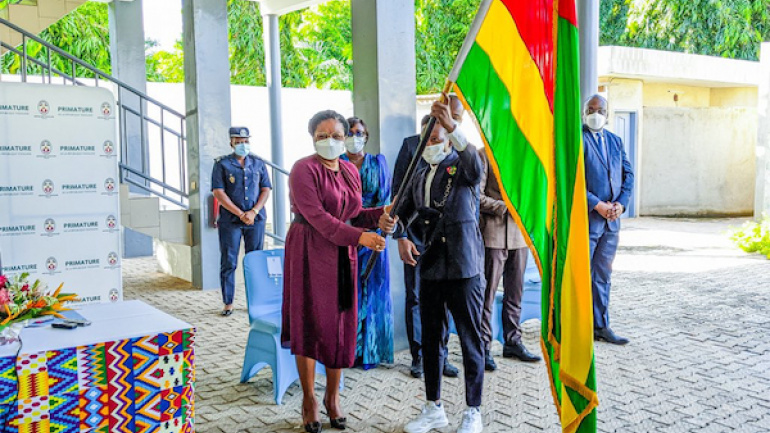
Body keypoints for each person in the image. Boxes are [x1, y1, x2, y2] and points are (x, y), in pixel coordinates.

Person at [380, 94, 485, 433]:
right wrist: (391, 224)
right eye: (428, 138)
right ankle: (433, 406)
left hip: (464, 267)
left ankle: (473, 410)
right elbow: (406, 212)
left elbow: (476, 169)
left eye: (438, 136)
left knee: (470, 339)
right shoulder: (419, 170)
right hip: (431, 266)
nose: (432, 142)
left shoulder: (464, 163)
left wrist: (452, 126)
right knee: (431, 339)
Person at [281, 110, 388, 433]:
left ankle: (333, 397)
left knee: (341, 323)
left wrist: (382, 214)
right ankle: (310, 400)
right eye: (323, 136)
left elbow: (353, 213)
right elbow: (318, 218)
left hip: (343, 253)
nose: (331, 141)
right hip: (309, 250)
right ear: (312, 137)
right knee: (310, 322)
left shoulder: (348, 171)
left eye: (337, 136)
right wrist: (360, 237)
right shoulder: (303, 169)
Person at [392, 100, 465, 380]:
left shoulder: (456, 148)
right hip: (414, 236)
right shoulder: (410, 145)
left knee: (443, 299)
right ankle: (419, 356)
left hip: (443, 239)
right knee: (415, 297)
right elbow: (398, 195)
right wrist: (400, 235)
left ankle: (441, 355)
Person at [477, 149, 541, 370]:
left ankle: (513, 341)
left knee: (515, 293)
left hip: (519, 236)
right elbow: (477, 194)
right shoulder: (483, 154)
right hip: (493, 234)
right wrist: (503, 208)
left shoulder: (524, 154)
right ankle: (483, 347)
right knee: (487, 294)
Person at [340, 116, 394, 369]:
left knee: (373, 294)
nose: (354, 137)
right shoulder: (335, 164)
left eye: (359, 132)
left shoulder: (377, 162)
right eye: (349, 133)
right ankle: (347, 350)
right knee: (347, 295)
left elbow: (384, 202)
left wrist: (373, 232)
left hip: (374, 237)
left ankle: (370, 352)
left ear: (366, 135)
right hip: (343, 237)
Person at [583, 94, 634, 345]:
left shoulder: (615, 141)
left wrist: (620, 205)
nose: (595, 114)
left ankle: (601, 326)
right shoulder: (577, 140)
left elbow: (628, 174)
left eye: (600, 110)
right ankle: (577, 327)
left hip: (612, 222)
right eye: (591, 110)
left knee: (603, 275)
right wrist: (597, 204)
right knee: (581, 274)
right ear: (585, 113)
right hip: (588, 220)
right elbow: (571, 181)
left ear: (607, 113)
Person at [211, 126, 272, 316]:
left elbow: (266, 189)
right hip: (231, 220)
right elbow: (218, 192)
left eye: (245, 141)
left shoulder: (258, 163)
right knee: (229, 260)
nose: (242, 145)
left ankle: (256, 301)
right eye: (238, 141)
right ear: (231, 142)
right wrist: (240, 213)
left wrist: (253, 211)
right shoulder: (222, 164)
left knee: (255, 260)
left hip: (256, 219)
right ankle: (228, 303)